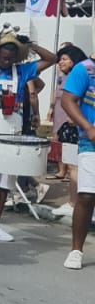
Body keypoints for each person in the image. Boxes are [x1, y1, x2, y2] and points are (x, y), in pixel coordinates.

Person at [0, 29, 57, 241]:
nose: (7, 59)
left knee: (5, 179)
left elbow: (51, 59)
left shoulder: (23, 71)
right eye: (3, 55)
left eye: (11, 55)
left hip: (12, 132)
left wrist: (30, 45)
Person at [59, 51, 95, 269]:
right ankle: (76, 250)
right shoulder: (85, 69)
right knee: (87, 196)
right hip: (91, 143)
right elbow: (67, 100)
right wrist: (88, 127)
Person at [49, 43, 87, 219]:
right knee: (72, 164)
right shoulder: (64, 78)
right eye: (59, 59)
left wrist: (74, 117)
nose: (60, 63)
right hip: (65, 126)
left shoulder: (77, 76)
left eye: (64, 59)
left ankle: (73, 203)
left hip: (73, 126)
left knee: (74, 166)